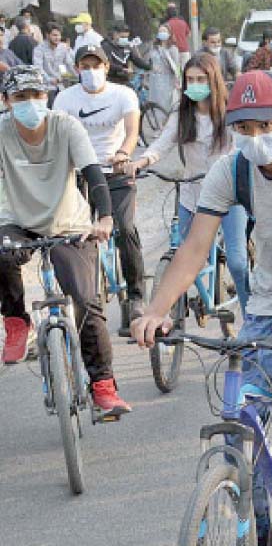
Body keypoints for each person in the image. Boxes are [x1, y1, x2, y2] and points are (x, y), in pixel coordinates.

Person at [131, 70, 272, 540]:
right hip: (266, 297)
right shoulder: (230, 168)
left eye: (264, 125)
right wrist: (156, 309)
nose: (253, 137)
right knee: (246, 410)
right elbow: (196, 247)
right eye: (243, 128)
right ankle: (261, 526)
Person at [0, 65, 131, 415]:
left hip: (69, 224)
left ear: (48, 97)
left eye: (36, 96)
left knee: (86, 301)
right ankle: (16, 321)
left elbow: (93, 174)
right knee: (1, 254)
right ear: (5, 101)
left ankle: (103, 385)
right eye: (20, 97)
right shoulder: (1, 131)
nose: (30, 104)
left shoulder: (66, 126)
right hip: (18, 222)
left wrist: (104, 218)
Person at [127, 53, 249, 314]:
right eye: (190, 80)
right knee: (184, 258)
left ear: (213, 81)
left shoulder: (230, 113)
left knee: (238, 263)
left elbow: (242, 147)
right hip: (193, 194)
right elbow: (163, 141)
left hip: (229, 196)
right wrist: (143, 161)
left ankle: (253, 318)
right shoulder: (182, 114)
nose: (195, 85)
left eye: (200, 79)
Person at [53, 45, 146, 329]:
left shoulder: (123, 94)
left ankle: (136, 296)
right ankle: (79, 297)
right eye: (85, 66)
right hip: (80, 174)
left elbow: (132, 132)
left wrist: (124, 153)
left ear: (106, 67)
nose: (91, 71)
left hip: (114, 171)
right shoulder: (65, 99)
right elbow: (58, 137)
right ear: (77, 69)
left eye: (96, 65)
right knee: (72, 235)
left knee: (125, 228)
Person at [33, 22, 75, 106]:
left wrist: (69, 77)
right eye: (54, 35)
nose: (57, 38)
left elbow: (68, 64)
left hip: (62, 85)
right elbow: (38, 68)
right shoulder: (39, 49)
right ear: (47, 35)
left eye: (59, 35)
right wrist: (50, 80)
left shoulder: (63, 47)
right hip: (47, 87)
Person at [147, 23, 181, 113]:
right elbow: (149, 62)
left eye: (164, 31)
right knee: (155, 103)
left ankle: (165, 122)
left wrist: (177, 81)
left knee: (166, 104)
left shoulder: (173, 49)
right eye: (160, 31)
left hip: (167, 79)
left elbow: (176, 66)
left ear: (169, 33)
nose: (162, 33)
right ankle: (157, 122)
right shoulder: (154, 47)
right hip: (154, 79)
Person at [165, 3, 192, 68]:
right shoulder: (183, 22)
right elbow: (189, 35)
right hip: (185, 49)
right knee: (185, 70)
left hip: (173, 50)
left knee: (175, 71)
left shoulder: (167, 24)